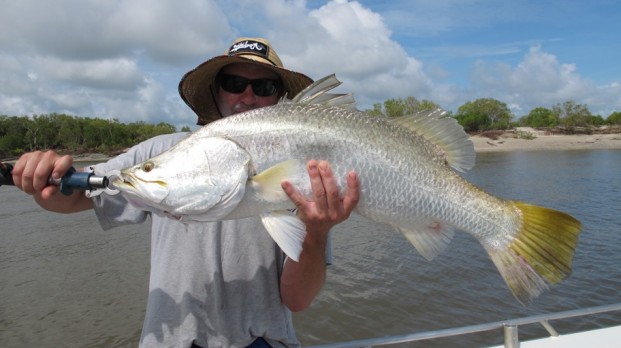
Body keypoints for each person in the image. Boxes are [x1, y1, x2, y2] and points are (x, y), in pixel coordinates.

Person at [11, 37, 360, 347]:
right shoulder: (159, 153)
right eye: (234, 82)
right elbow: (72, 195)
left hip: (264, 341)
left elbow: (297, 300)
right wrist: (44, 174)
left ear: (279, 97)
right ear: (216, 90)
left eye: (264, 86)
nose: (248, 96)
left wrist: (316, 232)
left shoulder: (311, 166)